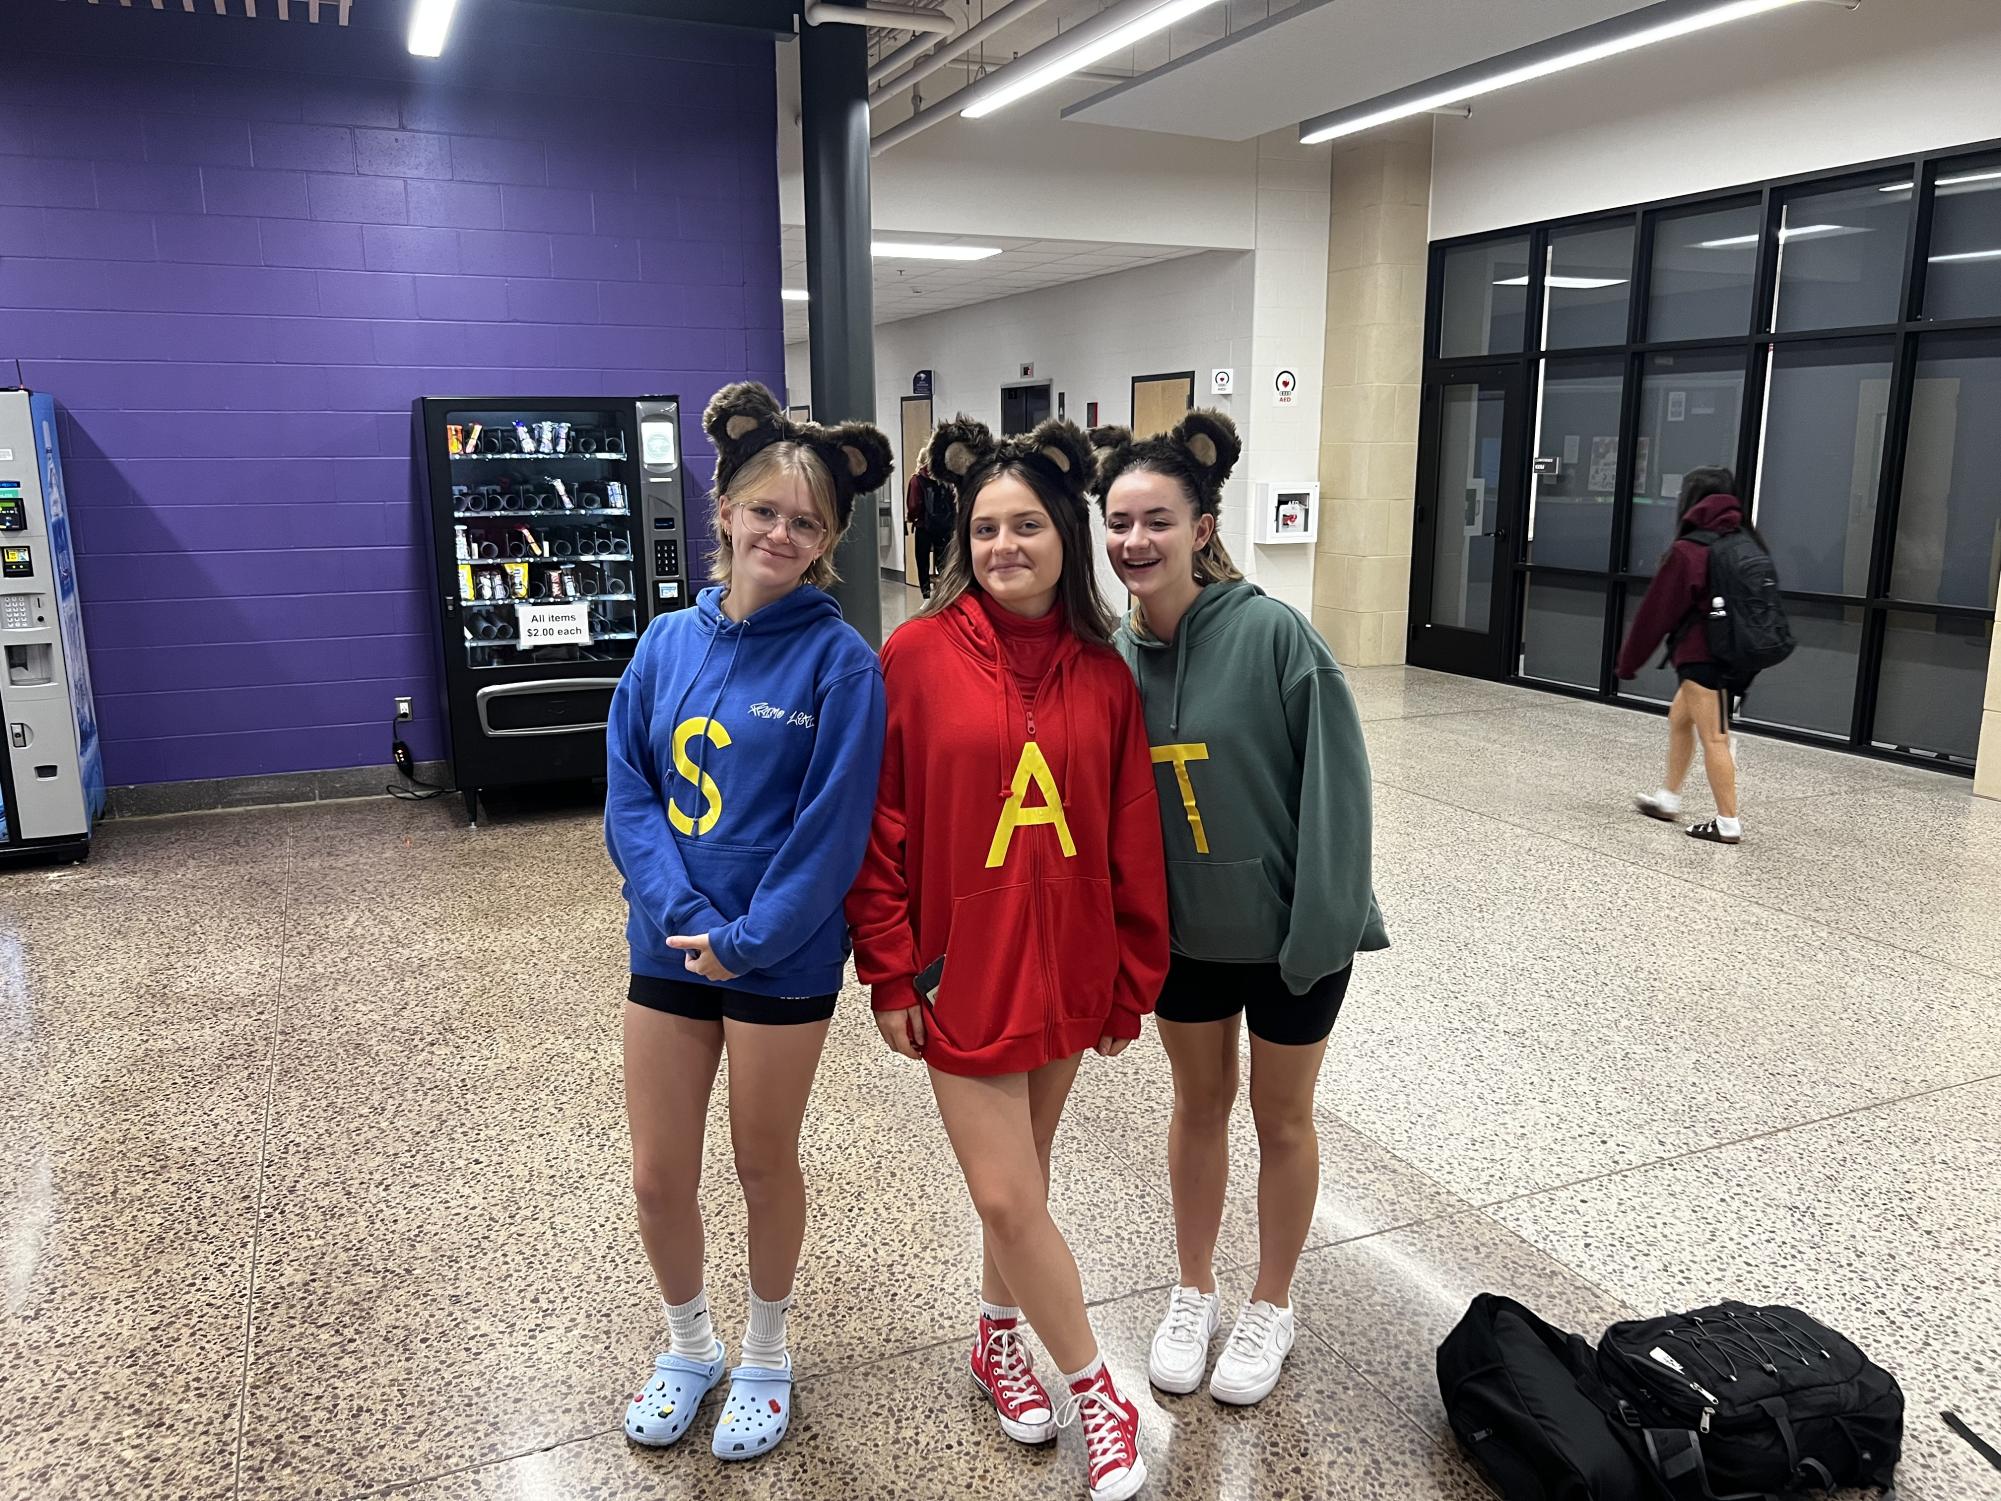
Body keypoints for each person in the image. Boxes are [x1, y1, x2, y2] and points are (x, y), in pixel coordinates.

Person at [848, 415, 1170, 1501]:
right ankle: (1098, 1393)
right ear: (962, 541)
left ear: (1064, 536)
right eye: (986, 529)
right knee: (1006, 1196)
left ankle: (996, 1339)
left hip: (1070, 964)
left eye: (1027, 524)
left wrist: (1132, 974)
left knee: (1018, 1192)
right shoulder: (917, 656)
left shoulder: (1103, 672)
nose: (1004, 547)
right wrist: (892, 968)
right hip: (962, 972)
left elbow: (1131, 831)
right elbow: (881, 823)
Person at [606, 381, 890, 1460]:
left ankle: (767, 1351)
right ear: (723, 509)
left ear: (826, 543)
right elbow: (629, 792)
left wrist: (751, 937)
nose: (780, 532)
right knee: (655, 1171)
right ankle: (691, 1346)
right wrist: (681, 916)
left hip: (781, 961)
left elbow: (833, 829)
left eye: (805, 521)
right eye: (763, 508)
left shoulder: (842, 663)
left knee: (763, 1163)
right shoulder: (664, 644)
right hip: (669, 948)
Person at [1095, 410, 1390, 1409]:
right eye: (1119, 521)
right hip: (1185, 938)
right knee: (1198, 1105)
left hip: (1291, 935)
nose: (1135, 541)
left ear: (1203, 528)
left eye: (1158, 521)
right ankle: (1194, 1289)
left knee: (1282, 1113)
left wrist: (1318, 933)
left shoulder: (1273, 634)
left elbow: (1336, 794)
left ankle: (1272, 1300)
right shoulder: (1116, 661)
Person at [1616, 465, 1764, 845]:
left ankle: (1728, 821)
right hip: (1736, 652)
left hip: (1703, 657)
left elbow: (1655, 614)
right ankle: (1668, 797)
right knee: (1680, 718)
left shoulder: (1690, 550)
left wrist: (1628, 662)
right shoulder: (1746, 540)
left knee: (1714, 736)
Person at [905, 457, 957, 598]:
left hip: (924, 527)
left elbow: (913, 506)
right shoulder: (946, 479)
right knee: (944, 562)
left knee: (922, 561)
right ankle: (945, 593)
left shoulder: (916, 480)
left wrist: (911, 518)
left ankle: (926, 594)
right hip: (945, 527)